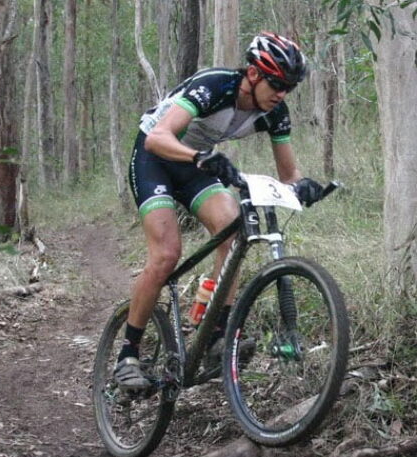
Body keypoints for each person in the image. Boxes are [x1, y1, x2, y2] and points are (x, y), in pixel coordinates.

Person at [114, 32, 325, 389]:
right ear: (254, 74)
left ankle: (214, 334)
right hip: (155, 157)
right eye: (276, 83)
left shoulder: (275, 113)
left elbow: (290, 175)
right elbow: (157, 137)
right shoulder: (216, 86)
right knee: (166, 255)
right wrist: (200, 157)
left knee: (232, 225)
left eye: (288, 87)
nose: (281, 94)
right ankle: (127, 356)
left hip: (197, 164)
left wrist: (303, 187)